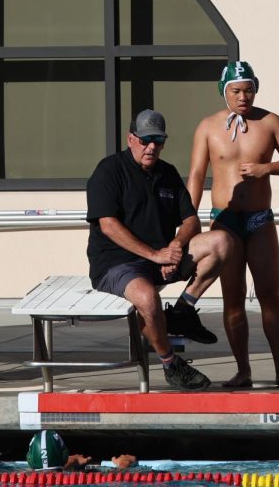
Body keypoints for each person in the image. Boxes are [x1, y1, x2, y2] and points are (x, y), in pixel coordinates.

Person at [86, 110, 231, 391]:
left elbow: (190, 219)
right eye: (145, 140)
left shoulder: (167, 173)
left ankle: (182, 310)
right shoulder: (109, 171)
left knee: (222, 242)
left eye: (158, 141)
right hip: (118, 263)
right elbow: (108, 225)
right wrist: (155, 256)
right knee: (147, 297)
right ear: (131, 139)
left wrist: (175, 246)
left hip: (161, 257)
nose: (151, 147)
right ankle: (170, 364)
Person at [187, 61, 279, 389]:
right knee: (233, 297)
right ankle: (243, 370)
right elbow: (196, 174)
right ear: (224, 91)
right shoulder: (208, 127)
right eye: (236, 91)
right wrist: (187, 219)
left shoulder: (270, 122)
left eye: (248, 90)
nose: (243, 96)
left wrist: (266, 169)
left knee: (270, 295)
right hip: (224, 222)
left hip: (259, 219)